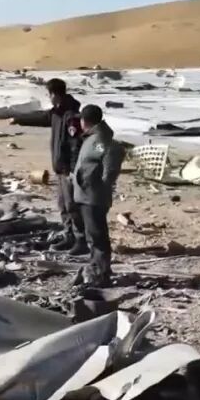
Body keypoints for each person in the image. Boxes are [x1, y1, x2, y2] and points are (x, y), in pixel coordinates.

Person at [72, 104, 124, 286]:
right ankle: (98, 268)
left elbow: (110, 166)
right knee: (93, 235)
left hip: (93, 196)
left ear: (85, 121)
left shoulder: (100, 141)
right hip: (87, 194)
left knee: (97, 236)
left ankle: (101, 273)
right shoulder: (93, 138)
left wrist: (97, 186)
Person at [45, 78, 87, 254]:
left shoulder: (71, 116)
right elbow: (41, 117)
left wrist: (72, 170)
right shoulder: (56, 114)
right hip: (60, 169)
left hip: (68, 170)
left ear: (54, 94)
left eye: (49, 94)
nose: (48, 98)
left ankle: (81, 241)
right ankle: (69, 235)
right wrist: (18, 118)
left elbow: (75, 145)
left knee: (72, 206)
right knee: (63, 206)